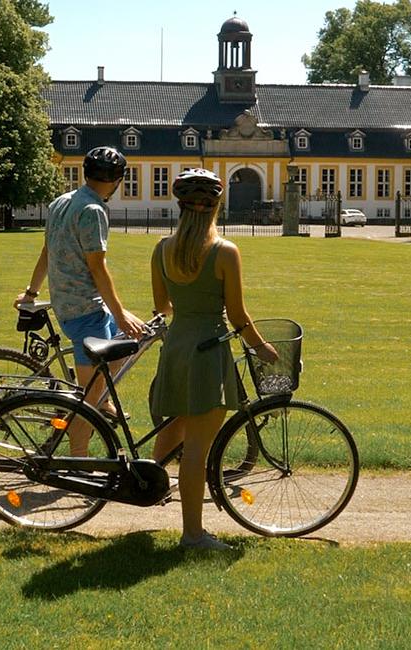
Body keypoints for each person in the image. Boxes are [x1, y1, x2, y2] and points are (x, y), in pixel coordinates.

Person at [147, 168, 278, 550]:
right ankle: (192, 535)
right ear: (215, 207)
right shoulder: (224, 251)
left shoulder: (161, 249)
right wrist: (262, 348)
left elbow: (161, 306)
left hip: (176, 347)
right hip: (207, 348)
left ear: (181, 207)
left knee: (175, 426)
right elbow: (237, 316)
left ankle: (150, 487)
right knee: (198, 450)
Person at [15, 146, 148, 455]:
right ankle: (80, 462)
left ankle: (105, 399)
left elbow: (47, 251)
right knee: (87, 400)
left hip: (75, 304)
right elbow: (97, 267)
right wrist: (120, 312)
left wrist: (32, 292)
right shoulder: (93, 211)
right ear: (117, 180)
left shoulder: (61, 202)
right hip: (85, 312)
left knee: (138, 336)